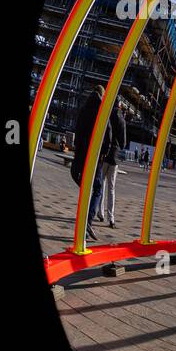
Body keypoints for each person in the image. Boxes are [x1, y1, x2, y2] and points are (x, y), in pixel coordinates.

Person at [71, 84, 108, 243]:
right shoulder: (102, 110)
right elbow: (108, 132)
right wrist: (103, 152)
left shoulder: (85, 107)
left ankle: (84, 219)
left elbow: (78, 130)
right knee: (98, 188)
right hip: (95, 155)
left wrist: (78, 150)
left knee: (84, 184)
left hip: (81, 154)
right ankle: (88, 220)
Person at [97, 98, 127, 228]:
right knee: (112, 188)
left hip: (104, 154)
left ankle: (100, 212)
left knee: (101, 184)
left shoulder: (107, 114)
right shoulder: (121, 119)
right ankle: (111, 217)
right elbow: (123, 142)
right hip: (114, 156)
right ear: (120, 105)